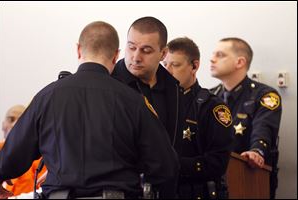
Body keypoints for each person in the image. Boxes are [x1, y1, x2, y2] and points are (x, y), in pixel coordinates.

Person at [0, 21, 179, 199]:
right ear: (116, 56)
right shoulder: (134, 101)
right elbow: (166, 166)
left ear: (78, 50)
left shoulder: (47, 97)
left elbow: (11, 156)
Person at [210, 37, 282, 199]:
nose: (212, 59)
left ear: (239, 62)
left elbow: (263, 129)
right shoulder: (209, 97)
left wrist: (257, 151)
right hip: (213, 181)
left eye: (220, 55)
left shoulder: (264, 96)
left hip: (249, 179)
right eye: (213, 54)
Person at [163, 37, 233, 199]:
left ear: (194, 66)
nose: (168, 71)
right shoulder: (157, 102)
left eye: (175, 65)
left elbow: (217, 163)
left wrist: (172, 164)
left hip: (196, 192)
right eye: (165, 65)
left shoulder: (213, 107)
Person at [112, 16, 183, 147]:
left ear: (163, 54)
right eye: (131, 48)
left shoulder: (173, 87)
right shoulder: (108, 83)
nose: (136, 57)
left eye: (146, 50)